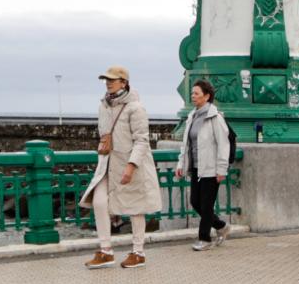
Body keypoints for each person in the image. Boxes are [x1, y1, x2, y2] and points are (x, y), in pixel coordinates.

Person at [82, 66, 162, 270]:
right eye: (106, 79)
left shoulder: (135, 107)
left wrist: (131, 165)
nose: (108, 83)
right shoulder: (104, 106)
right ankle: (106, 251)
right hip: (108, 163)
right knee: (99, 202)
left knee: (136, 208)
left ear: (124, 83)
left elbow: (142, 140)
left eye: (113, 80)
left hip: (130, 164)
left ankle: (138, 252)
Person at [175, 79, 231, 250]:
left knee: (206, 205)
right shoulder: (192, 116)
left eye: (196, 93)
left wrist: (221, 169)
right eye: (192, 93)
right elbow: (187, 144)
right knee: (195, 202)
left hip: (211, 168)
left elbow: (223, 144)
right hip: (196, 168)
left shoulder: (215, 117)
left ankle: (205, 239)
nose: (193, 96)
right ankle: (221, 226)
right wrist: (181, 164)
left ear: (207, 96)